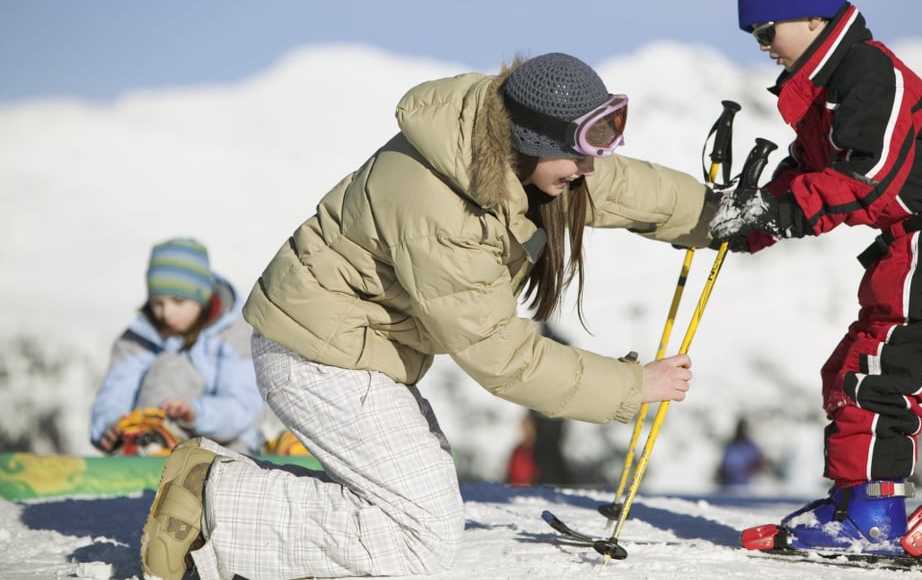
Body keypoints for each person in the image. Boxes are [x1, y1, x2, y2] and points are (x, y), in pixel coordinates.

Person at [138, 52, 719, 580]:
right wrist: (633, 384)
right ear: (529, 139)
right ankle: (216, 496)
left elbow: (620, 185)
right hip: (318, 356)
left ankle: (215, 487)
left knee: (417, 506)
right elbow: (501, 355)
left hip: (355, 348)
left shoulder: (503, 157)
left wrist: (718, 216)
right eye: (577, 153)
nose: (588, 170)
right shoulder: (443, 210)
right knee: (421, 537)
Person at [711, 0, 922, 560]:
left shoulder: (868, 73)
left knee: (879, 380)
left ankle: (876, 518)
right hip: (908, 249)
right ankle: (854, 499)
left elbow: (868, 175)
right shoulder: (825, 86)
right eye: (754, 35)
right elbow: (809, 168)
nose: (763, 46)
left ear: (813, 15)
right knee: (848, 371)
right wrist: (755, 220)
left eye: (767, 29)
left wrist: (782, 212)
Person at [90, 238, 264, 456]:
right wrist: (112, 425)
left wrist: (196, 413)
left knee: (236, 453)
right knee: (169, 367)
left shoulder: (235, 333)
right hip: (158, 437)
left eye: (178, 302)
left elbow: (243, 404)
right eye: (157, 302)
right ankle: (150, 441)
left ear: (202, 297)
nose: (166, 313)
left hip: (228, 439)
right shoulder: (139, 338)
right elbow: (116, 391)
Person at [715, 417, 767, 488]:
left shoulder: (751, 446)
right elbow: (723, 465)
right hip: (727, 486)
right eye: (740, 429)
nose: (742, 431)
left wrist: (749, 472)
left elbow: (759, 463)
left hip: (745, 486)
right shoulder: (730, 445)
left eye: (744, 429)